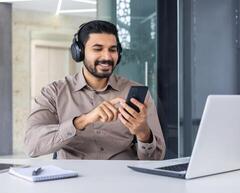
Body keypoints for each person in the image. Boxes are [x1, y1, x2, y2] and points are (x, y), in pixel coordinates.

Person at [24, 20, 166, 160]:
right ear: (79, 52)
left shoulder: (137, 93)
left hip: (121, 179)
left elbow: (155, 159)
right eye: (97, 49)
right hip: (72, 180)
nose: (107, 57)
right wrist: (82, 121)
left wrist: (143, 134)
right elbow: (31, 146)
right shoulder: (53, 93)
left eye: (113, 49)